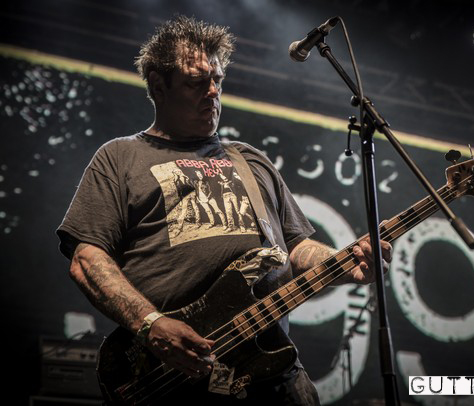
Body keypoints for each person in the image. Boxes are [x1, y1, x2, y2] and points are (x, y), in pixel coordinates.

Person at [57, 16, 392, 405]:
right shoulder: (120, 157)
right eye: (196, 82)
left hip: (269, 373)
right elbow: (87, 259)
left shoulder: (250, 160)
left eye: (217, 80)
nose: (213, 91)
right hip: (167, 373)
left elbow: (295, 248)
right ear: (159, 86)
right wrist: (151, 325)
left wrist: (345, 263)